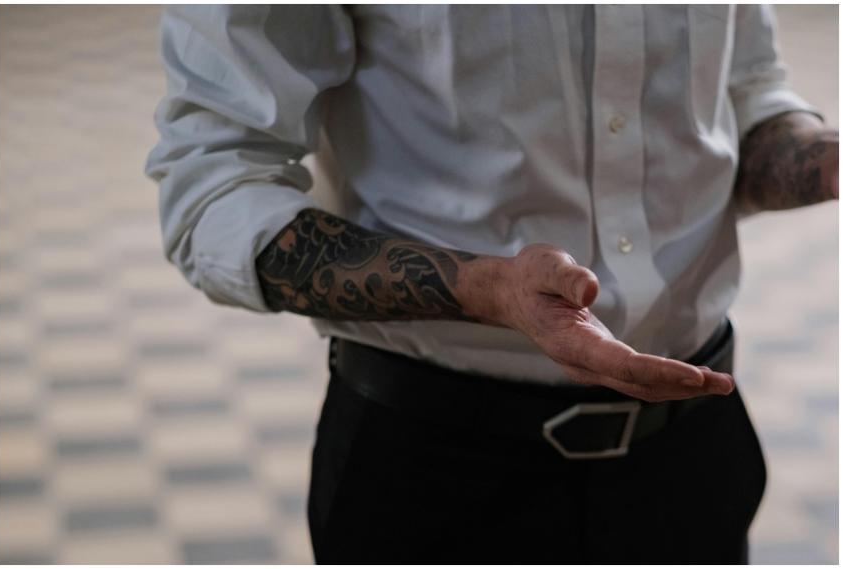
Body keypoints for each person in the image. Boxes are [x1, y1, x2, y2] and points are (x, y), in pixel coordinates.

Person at [145, 5, 838, 564]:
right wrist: (487, 289)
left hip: (694, 456)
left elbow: (744, 96)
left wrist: (827, 160)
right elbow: (214, 186)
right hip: (438, 476)